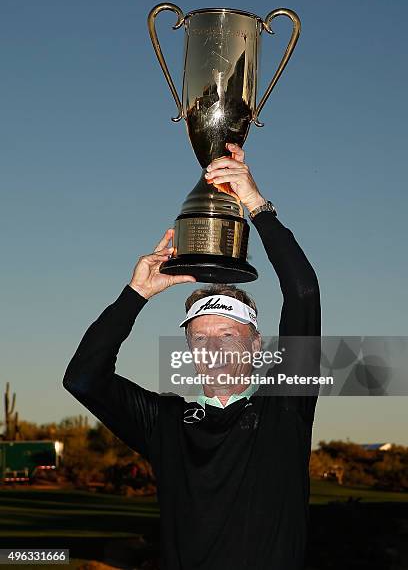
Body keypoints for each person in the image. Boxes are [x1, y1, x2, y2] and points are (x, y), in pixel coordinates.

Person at [63, 143, 321, 569]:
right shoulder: (164, 422)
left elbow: (303, 293)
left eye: (227, 334)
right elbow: (83, 379)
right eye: (200, 339)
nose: (214, 348)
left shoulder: (284, 406)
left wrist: (257, 206)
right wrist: (136, 294)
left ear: (256, 345)